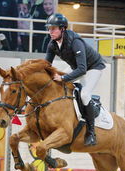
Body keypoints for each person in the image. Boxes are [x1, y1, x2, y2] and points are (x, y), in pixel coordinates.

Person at [44, 13, 106, 146]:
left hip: (93, 68)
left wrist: (63, 78)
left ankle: (91, 132)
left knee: (84, 94)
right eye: (49, 28)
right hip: (76, 67)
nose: (50, 31)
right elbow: (46, 65)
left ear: (62, 29)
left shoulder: (75, 42)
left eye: (53, 28)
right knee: (54, 83)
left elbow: (82, 70)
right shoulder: (52, 44)